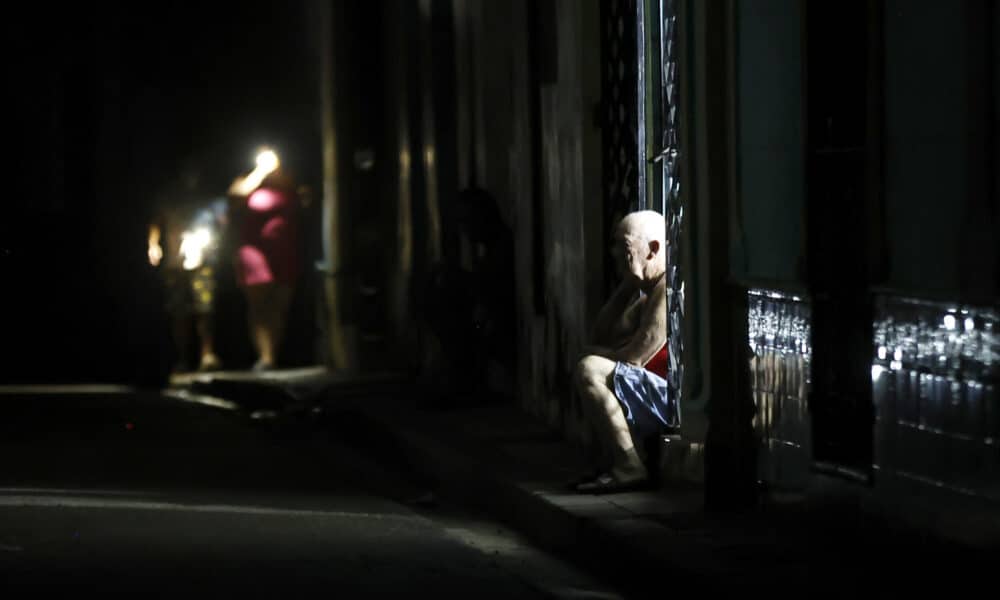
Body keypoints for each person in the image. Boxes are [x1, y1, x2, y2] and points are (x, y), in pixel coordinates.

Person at [571, 210, 677, 494]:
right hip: (658, 392)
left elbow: (635, 358)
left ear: (653, 249)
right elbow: (601, 335)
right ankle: (615, 461)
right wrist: (628, 282)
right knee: (589, 360)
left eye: (625, 247)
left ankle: (628, 465)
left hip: (674, 398)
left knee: (589, 368)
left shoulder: (667, 290)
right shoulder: (649, 291)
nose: (616, 254)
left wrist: (593, 356)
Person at [148, 165, 228, 373]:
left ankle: (207, 354)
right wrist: (153, 245)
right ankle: (182, 358)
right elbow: (157, 220)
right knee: (179, 311)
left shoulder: (209, 197)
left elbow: (223, 222)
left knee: (205, 307)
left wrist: (214, 243)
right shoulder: (169, 196)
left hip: (203, 261)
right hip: (176, 263)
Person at [227, 149, 302, 372]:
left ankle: (273, 354)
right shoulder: (246, 181)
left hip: (284, 251)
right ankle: (265, 357)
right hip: (254, 253)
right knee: (259, 305)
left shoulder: (287, 182)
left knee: (280, 306)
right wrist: (261, 170)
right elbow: (235, 197)